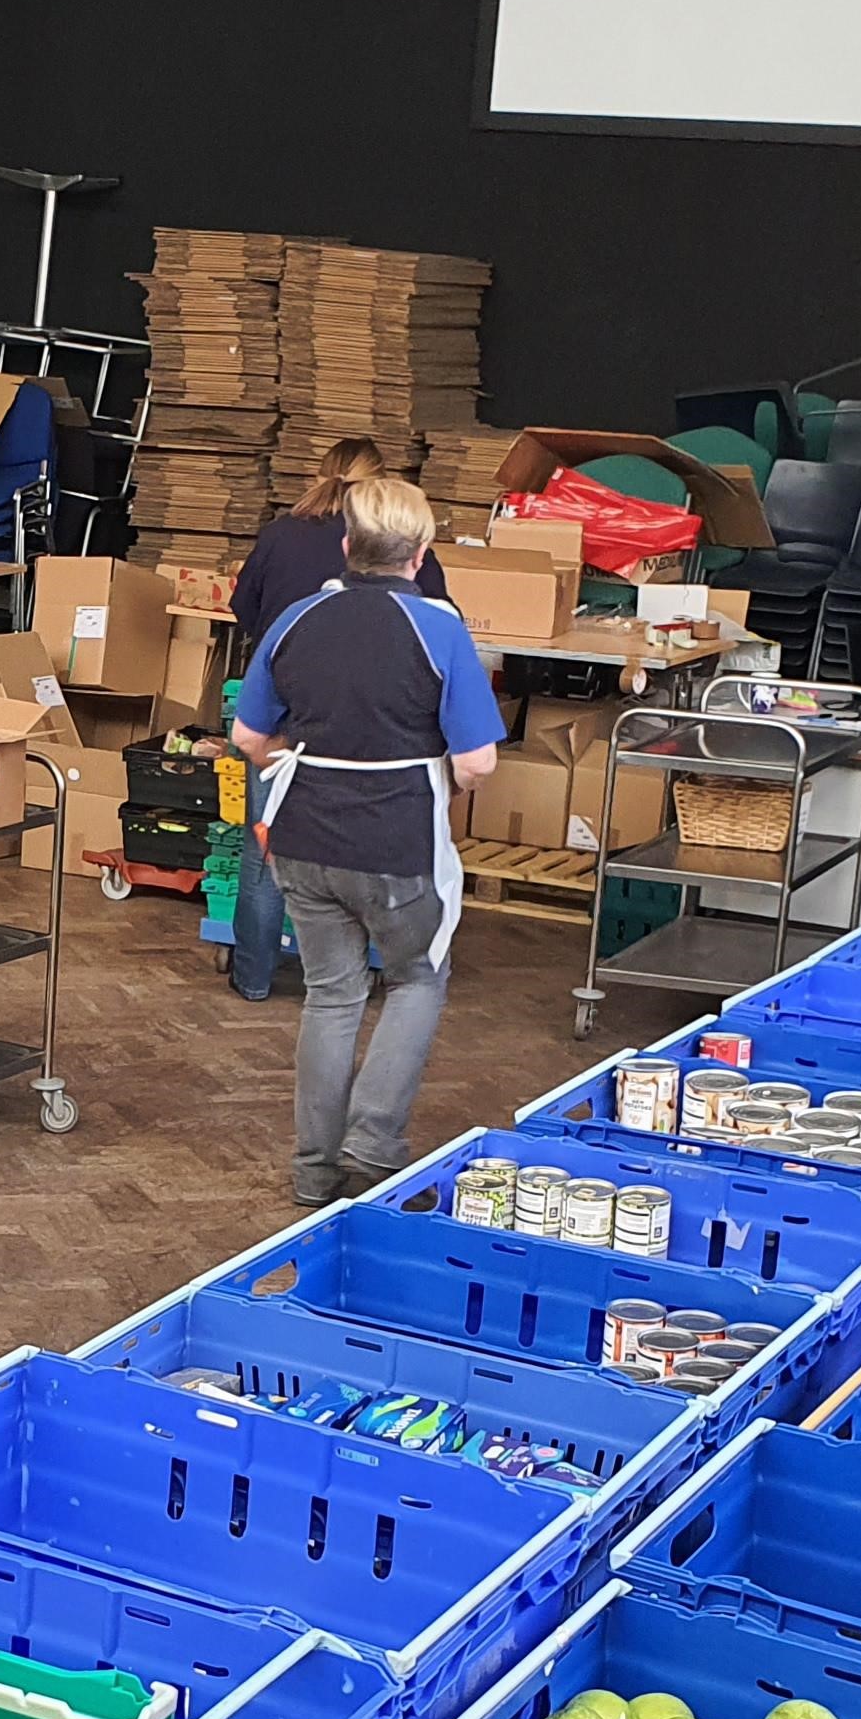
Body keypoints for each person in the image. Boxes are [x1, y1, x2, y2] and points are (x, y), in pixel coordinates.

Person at [231, 472, 503, 1204]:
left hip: (302, 837)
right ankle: (375, 1139)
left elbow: (247, 736)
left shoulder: (294, 620)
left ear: (347, 546)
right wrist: (453, 778)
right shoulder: (441, 628)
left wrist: (293, 755)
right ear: (420, 554)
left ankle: (314, 1170)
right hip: (395, 840)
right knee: (417, 978)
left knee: (331, 995)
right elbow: (477, 762)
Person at [221, 438, 453, 1001]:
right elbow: (440, 616)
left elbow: (242, 608)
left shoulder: (280, 534)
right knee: (369, 853)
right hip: (375, 721)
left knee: (265, 845)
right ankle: (370, 974)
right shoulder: (397, 546)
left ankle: (252, 978)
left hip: (281, 713)